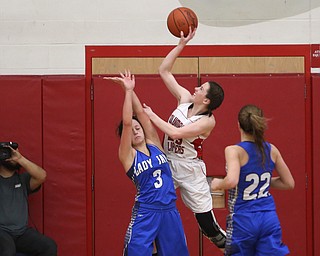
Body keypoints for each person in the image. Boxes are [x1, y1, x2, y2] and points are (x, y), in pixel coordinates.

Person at [142, 27, 226, 249]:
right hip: (168, 163)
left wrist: (151, 116)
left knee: (207, 224)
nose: (196, 87)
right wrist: (181, 45)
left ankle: (231, 248)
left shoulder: (208, 121)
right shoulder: (185, 98)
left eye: (202, 88)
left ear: (206, 101)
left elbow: (176, 133)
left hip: (190, 169)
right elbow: (164, 71)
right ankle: (150, 247)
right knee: (152, 202)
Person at [104, 70, 189, 256]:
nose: (136, 131)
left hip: (169, 210)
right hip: (147, 212)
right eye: (132, 131)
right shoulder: (128, 155)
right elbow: (127, 123)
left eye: (138, 128)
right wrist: (126, 92)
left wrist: (131, 89)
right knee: (136, 252)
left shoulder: (154, 144)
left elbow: (140, 113)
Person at [211, 104, 295, 256]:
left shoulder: (234, 150)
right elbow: (289, 183)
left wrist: (217, 184)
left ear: (238, 125)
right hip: (269, 217)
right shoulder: (272, 149)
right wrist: (263, 181)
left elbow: (231, 181)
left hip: (244, 219)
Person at [0, 143, 57, 256]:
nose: (12, 156)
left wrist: (20, 159)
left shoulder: (23, 179)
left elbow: (42, 176)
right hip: (2, 232)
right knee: (8, 251)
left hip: (21, 233)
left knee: (49, 246)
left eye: (14, 152)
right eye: (7, 153)